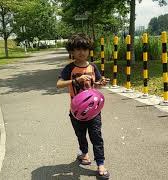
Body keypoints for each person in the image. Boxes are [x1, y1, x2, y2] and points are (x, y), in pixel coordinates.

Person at [56, 33, 110, 179]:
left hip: (93, 111)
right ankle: (84, 153)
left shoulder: (93, 67)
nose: (81, 52)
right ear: (72, 51)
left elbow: (97, 84)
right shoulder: (69, 68)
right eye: (78, 49)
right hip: (76, 112)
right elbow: (59, 84)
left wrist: (101, 83)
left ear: (89, 50)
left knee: (96, 137)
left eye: (85, 49)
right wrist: (76, 80)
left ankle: (100, 164)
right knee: (81, 135)